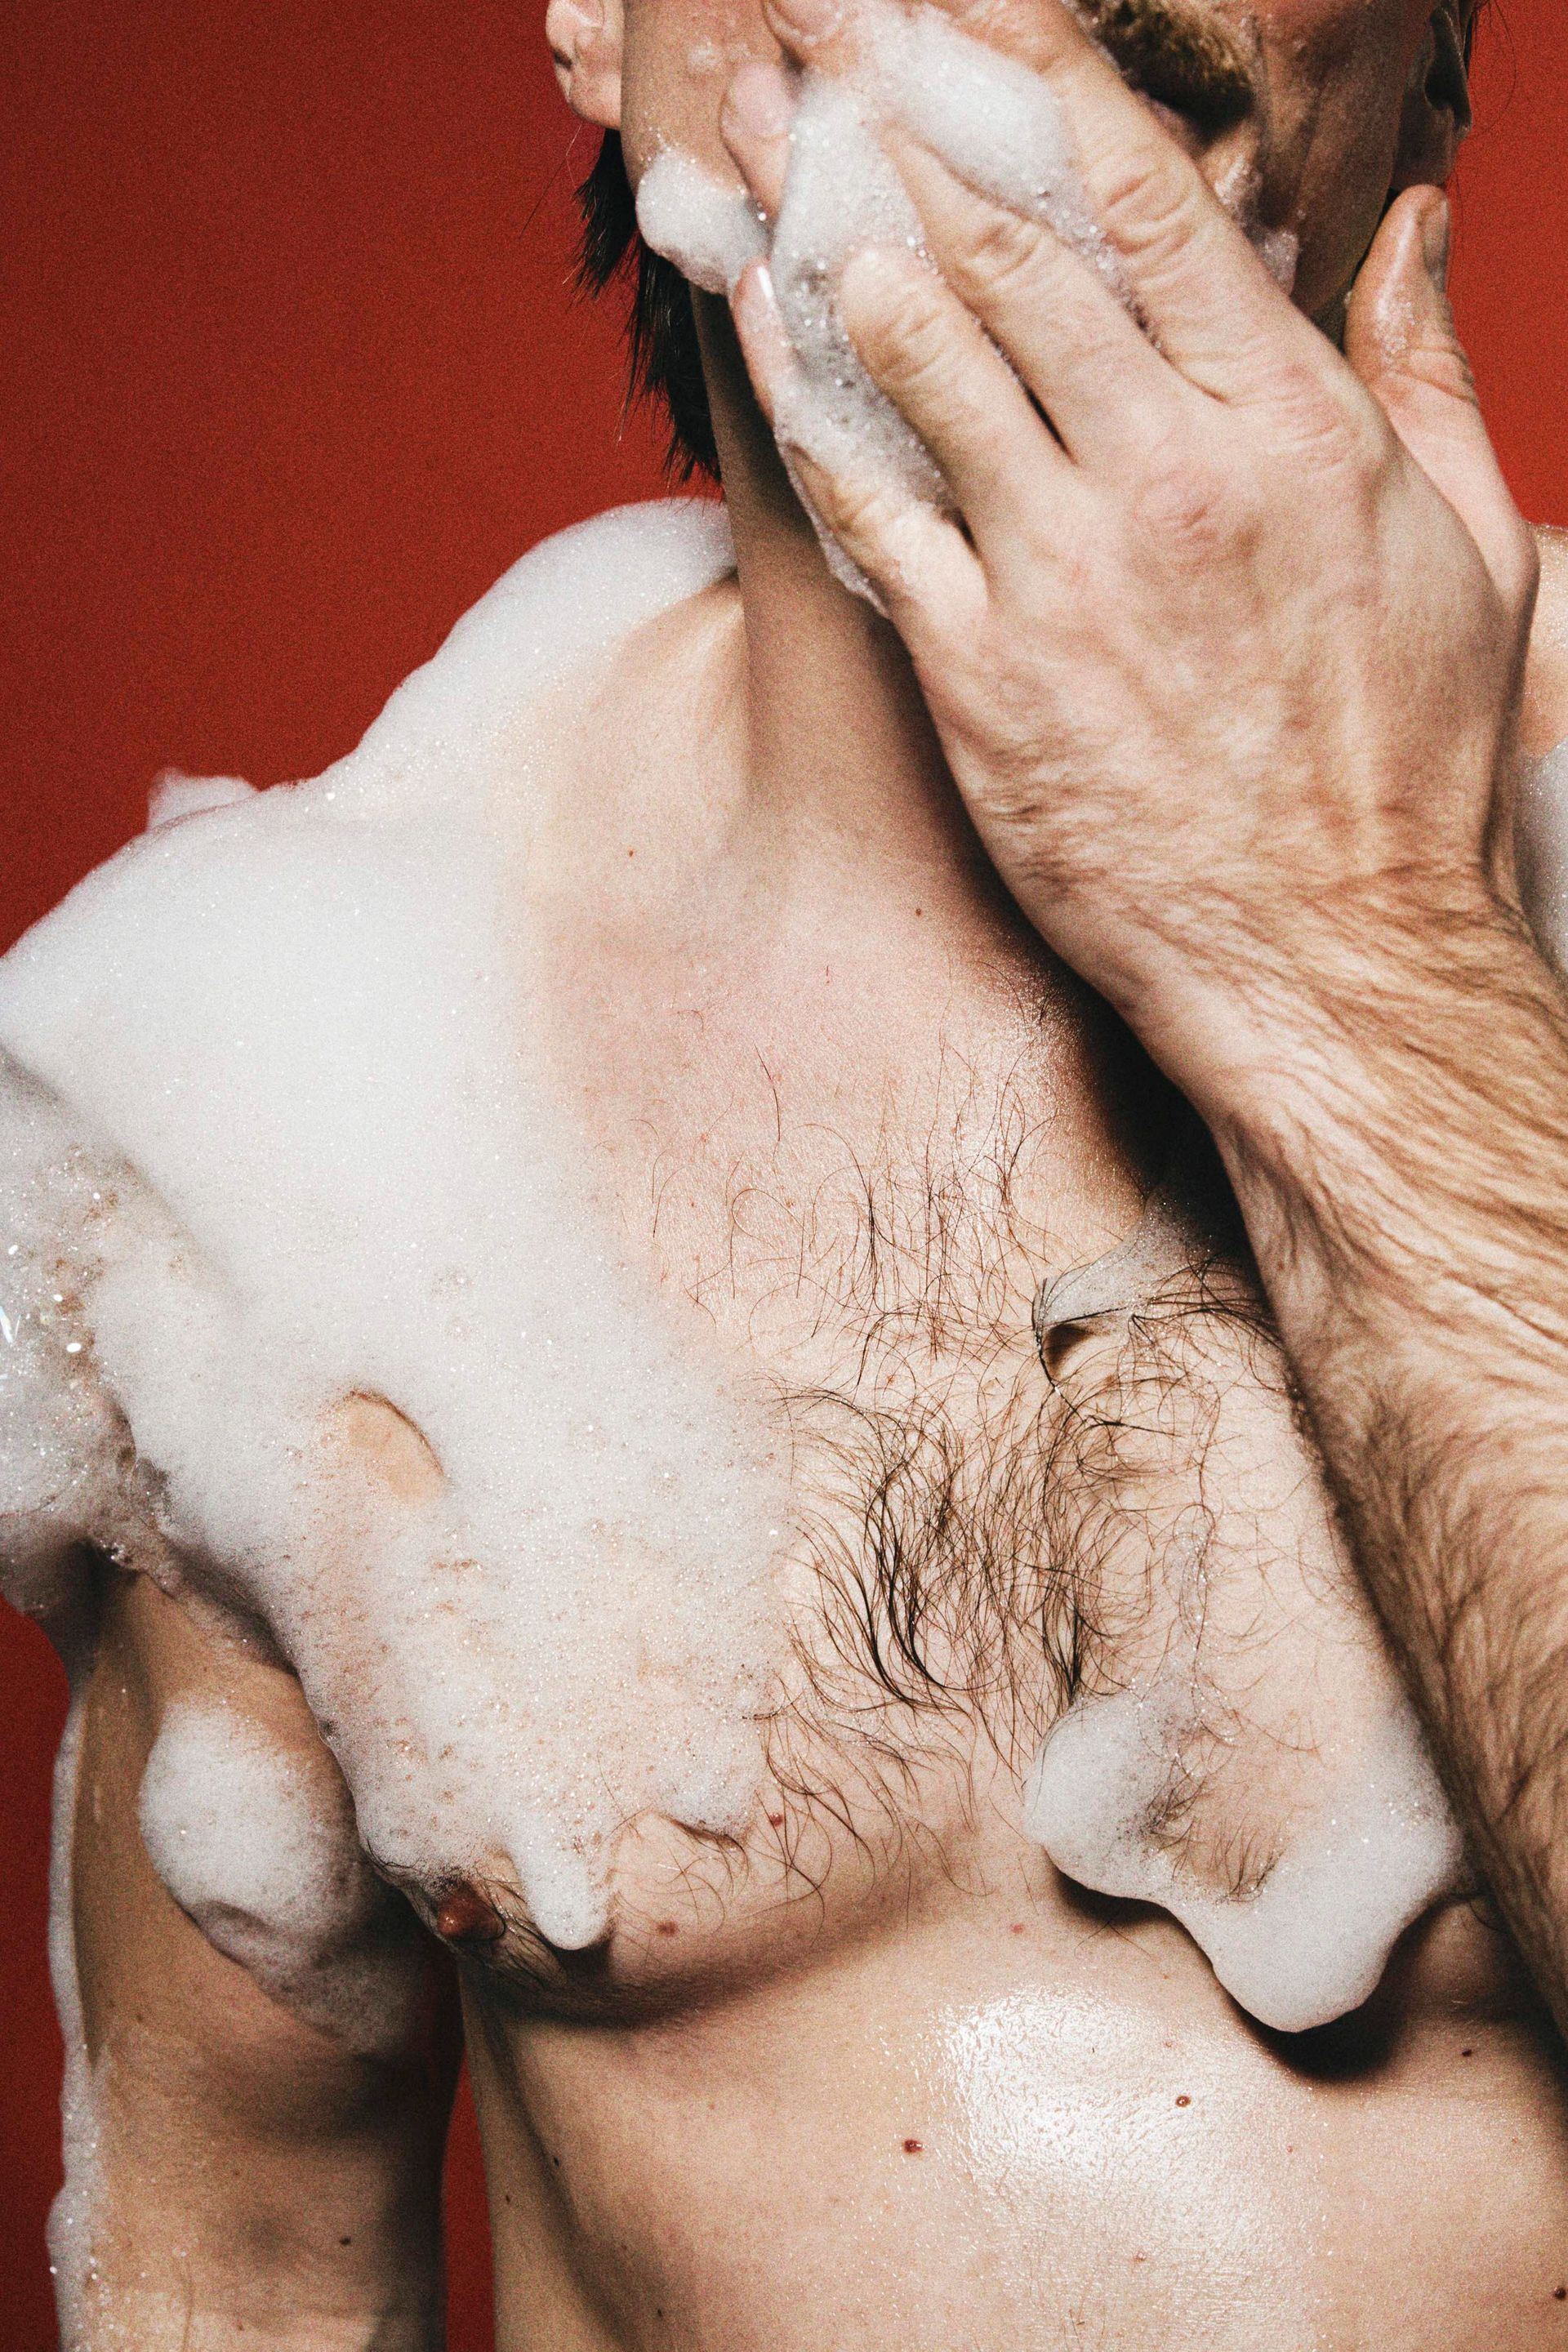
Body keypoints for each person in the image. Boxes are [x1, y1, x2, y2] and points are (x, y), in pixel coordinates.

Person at [3, 1, 1567, 2347]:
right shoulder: (260, 1086)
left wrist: (1349, 946)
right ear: (599, 23)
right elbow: (230, 2279)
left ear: (1439, 56)